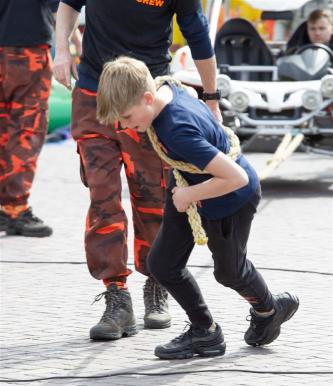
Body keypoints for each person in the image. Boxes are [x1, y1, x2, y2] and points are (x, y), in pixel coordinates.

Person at [96, 56, 300, 360]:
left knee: (230, 272)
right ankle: (205, 332)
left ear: (147, 97)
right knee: (162, 263)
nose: (125, 127)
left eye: (126, 116)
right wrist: (188, 192)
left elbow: (236, 177)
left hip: (230, 198)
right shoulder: (166, 86)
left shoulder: (176, 129)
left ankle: (270, 309)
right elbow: (190, 94)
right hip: (188, 186)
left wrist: (189, 194)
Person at [53, 0, 223, 341]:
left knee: (152, 195)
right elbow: (68, 5)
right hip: (93, 92)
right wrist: (61, 50)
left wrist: (212, 96)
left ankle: (157, 282)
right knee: (103, 197)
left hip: (145, 98)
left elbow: (198, 35)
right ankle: (117, 294)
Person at [0, 0, 59, 237]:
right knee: (26, 129)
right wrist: (70, 42)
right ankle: (14, 209)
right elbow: (59, 7)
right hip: (29, 48)